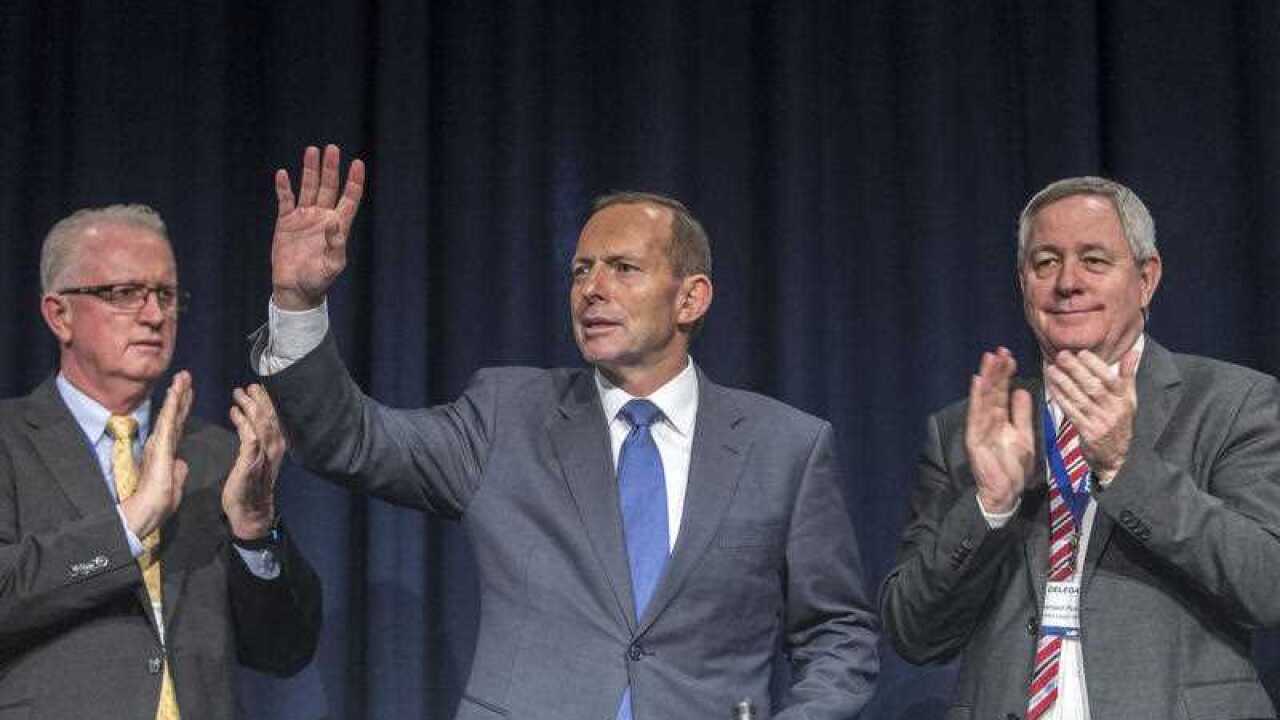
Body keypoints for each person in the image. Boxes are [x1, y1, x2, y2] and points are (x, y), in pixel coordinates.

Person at [249, 145, 878, 719]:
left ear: (691, 299)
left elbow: (838, 637)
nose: (592, 289)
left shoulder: (785, 448)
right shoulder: (507, 415)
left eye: (624, 268)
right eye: (581, 271)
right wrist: (297, 303)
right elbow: (350, 442)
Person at [881, 176, 1280, 719]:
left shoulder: (1232, 402)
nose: (1067, 282)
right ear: (1023, 283)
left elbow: (1267, 584)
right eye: (1045, 262)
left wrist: (1125, 466)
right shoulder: (969, 428)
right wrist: (989, 507)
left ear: (1146, 279)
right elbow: (913, 632)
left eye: (1094, 260)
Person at [0, 205, 322, 719]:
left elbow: (285, 649)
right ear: (59, 315)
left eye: (166, 296)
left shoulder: (217, 456)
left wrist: (256, 532)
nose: (154, 316)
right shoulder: (10, 442)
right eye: (124, 294)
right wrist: (131, 522)